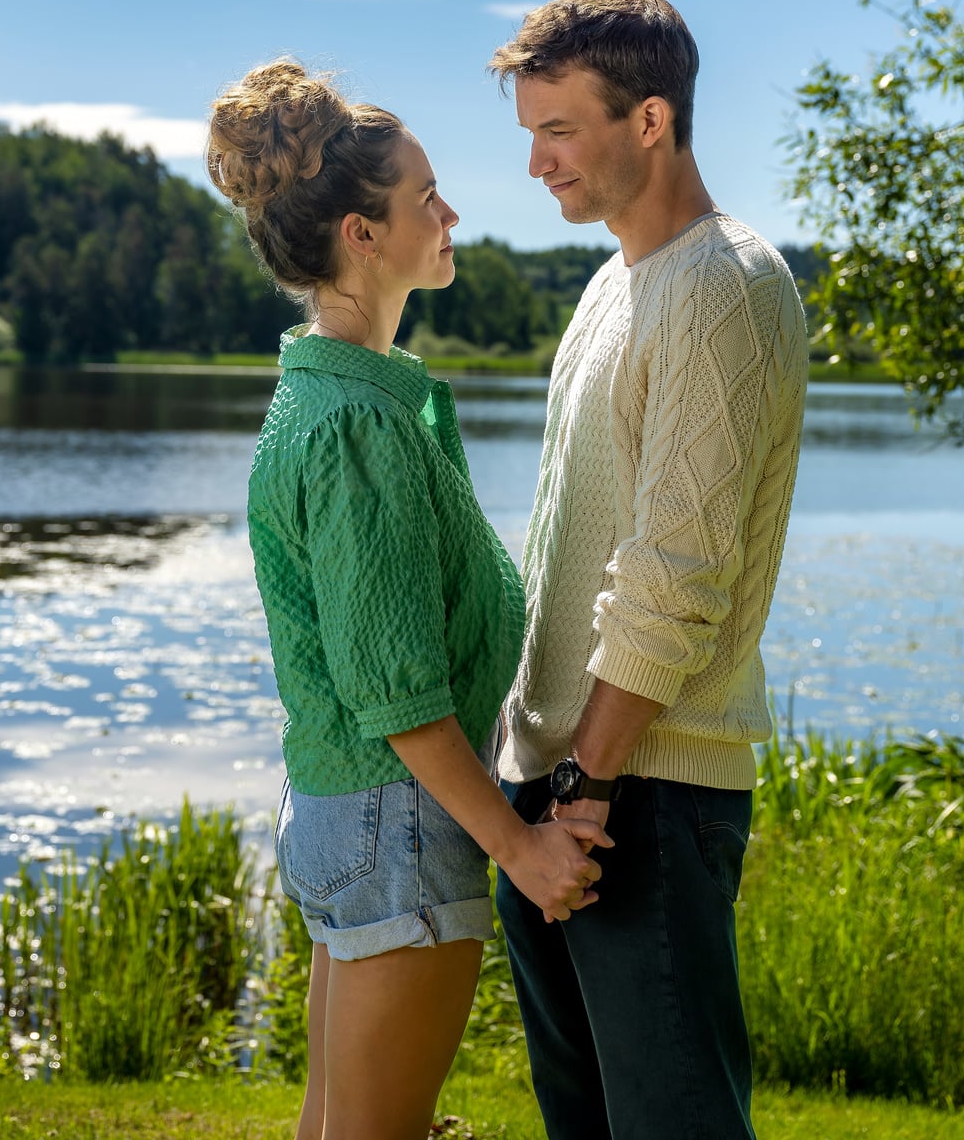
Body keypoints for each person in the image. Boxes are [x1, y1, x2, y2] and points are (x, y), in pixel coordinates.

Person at [210, 59, 612, 1140]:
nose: (451, 213)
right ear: (361, 234)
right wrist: (520, 848)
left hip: (358, 816)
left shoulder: (334, 396)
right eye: (424, 197)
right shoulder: (356, 426)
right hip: (396, 824)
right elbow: (399, 697)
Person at [486, 0, 810, 1139]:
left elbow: (673, 570)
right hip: (560, 790)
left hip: (640, 794)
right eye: (530, 133)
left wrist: (585, 787)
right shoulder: (612, 284)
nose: (536, 163)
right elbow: (566, 538)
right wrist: (530, 791)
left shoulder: (723, 283)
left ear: (651, 120)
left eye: (557, 130)